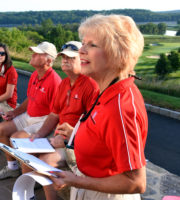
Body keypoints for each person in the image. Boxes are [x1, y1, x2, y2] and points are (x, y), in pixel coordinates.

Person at [50, 14, 148, 200]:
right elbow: (103, 138)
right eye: (83, 43)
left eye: (92, 45)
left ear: (116, 53)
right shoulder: (107, 90)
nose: (81, 51)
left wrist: (76, 181)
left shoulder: (120, 107)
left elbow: (135, 182)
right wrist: (75, 135)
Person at [14, 41, 98, 200]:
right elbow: (54, 115)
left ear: (82, 60)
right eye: (63, 57)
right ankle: (28, 192)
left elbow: (93, 126)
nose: (65, 60)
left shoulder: (90, 86)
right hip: (59, 138)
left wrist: (68, 141)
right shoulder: (65, 83)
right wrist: (39, 135)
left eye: (71, 58)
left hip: (76, 145)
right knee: (27, 150)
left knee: (45, 161)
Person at [0, 41, 62, 180]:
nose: (33, 55)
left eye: (37, 53)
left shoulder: (55, 81)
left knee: (16, 139)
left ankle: (29, 179)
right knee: (1, 129)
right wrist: (15, 112)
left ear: (48, 60)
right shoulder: (34, 75)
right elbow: (30, 99)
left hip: (43, 119)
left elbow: (57, 113)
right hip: (29, 115)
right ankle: (12, 168)